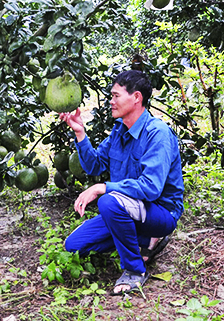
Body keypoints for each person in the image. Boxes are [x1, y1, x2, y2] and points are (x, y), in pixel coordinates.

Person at [59, 70, 184, 295]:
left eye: (116, 96)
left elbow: (151, 187)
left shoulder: (157, 133)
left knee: (108, 202)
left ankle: (135, 270)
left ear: (136, 98)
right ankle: (143, 239)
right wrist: (80, 133)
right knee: (74, 245)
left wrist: (103, 187)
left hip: (159, 212)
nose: (111, 101)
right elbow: (94, 165)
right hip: (127, 208)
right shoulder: (119, 132)